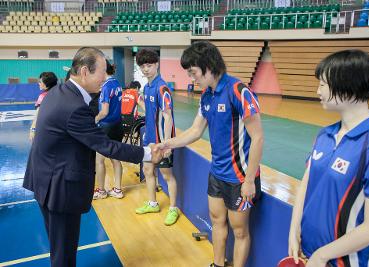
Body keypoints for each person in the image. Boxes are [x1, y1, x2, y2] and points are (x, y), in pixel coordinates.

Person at [23, 47, 162, 267]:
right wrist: (148, 152)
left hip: (45, 180)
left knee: (59, 247)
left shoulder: (59, 92)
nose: (106, 78)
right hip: (59, 188)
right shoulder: (74, 106)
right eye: (103, 72)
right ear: (86, 72)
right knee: (64, 254)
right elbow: (105, 145)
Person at [288, 50, 369, 267]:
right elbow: (306, 184)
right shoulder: (324, 135)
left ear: (346, 86)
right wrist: (294, 230)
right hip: (308, 254)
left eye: (322, 84)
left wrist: (323, 255)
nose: (317, 90)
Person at [156, 41, 264, 267]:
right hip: (217, 172)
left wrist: (249, 180)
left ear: (208, 65)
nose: (191, 78)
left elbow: (258, 137)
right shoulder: (206, 96)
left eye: (193, 72)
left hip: (239, 176)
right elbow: (195, 131)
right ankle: (217, 264)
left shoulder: (237, 90)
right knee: (217, 221)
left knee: (240, 230)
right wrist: (168, 144)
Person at [134, 48, 180, 226]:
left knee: (167, 176)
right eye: (143, 66)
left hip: (162, 141)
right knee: (147, 171)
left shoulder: (162, 88)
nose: (146, 69)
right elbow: (151, 112)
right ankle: (153, 203)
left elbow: (167, 116)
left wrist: (167, 144)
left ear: (157, 65)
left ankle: (173, 208)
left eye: (149, 65)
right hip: (148, 139)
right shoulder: (147, 87)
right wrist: (140, 103)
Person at [93, 60, 125, 199]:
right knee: (115, 158)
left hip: (105, 127)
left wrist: (94, 119)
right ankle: (118, 190)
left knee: (99, 160)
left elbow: (104, 112)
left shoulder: (106, 87)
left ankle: (101, 191)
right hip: (118, 125)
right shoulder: (117, 83)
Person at [29, 72, 58, 141]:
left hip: (47, 130)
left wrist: (32, 129)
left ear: (46, 84)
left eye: (40, 82)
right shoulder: (61, 93)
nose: (39, 83)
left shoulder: (42, 97)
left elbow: (38, 115)